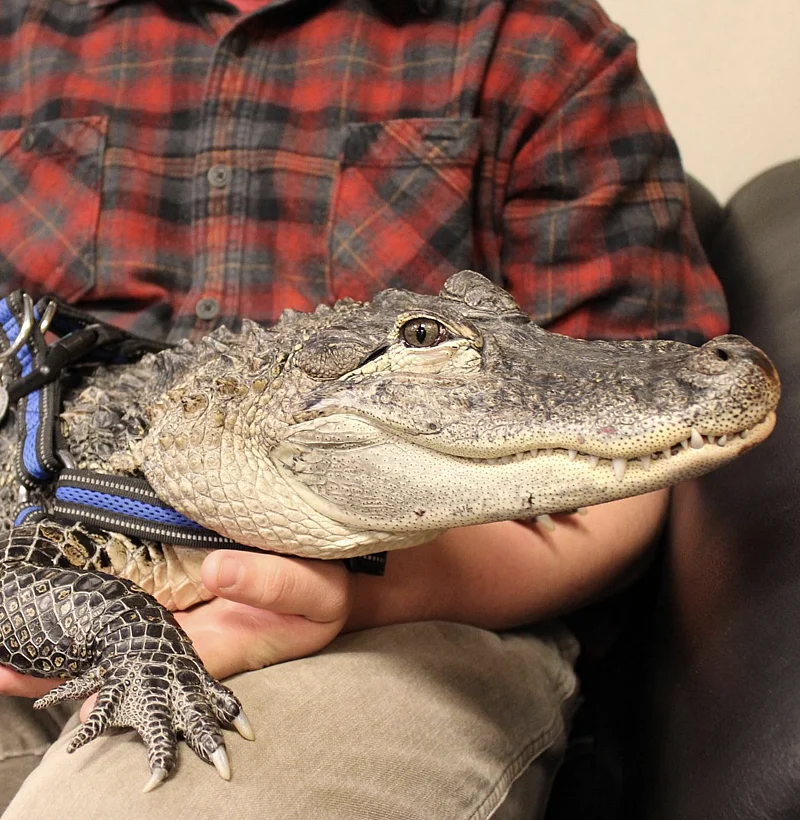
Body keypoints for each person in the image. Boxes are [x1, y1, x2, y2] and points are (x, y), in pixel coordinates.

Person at [0, 0, 728, 816]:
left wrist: (359, 587)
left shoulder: (536, 38)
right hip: (62, 562)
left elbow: (640, 470)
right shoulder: (22, 28)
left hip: (425, 605)